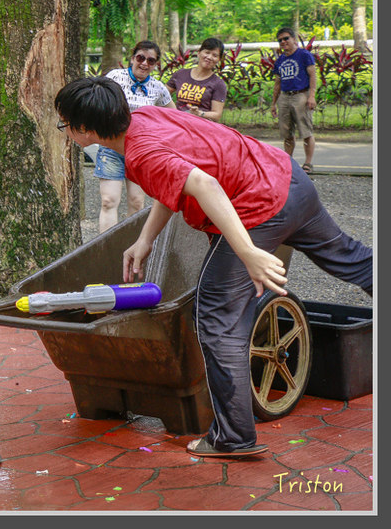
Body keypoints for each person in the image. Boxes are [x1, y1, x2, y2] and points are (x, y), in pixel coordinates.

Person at [54, 76, 372, 458]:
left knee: (216, 318)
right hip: (289, 179)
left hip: (259, 206)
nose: (65, 130)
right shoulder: (145, 118)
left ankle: (233, 437)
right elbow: (176, 182)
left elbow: (203, 184)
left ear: (85, 129)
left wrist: (249, 253)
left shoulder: (140, 154)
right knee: (351, 258)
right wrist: (145, 238)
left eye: (64, 124)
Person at [97, 40, 175, 232]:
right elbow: (97, 100)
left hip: (140, 150)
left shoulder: (158, 88)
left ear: (155, 64)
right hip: (111, 145)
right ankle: (107, 252)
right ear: (132, 58)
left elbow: (175, 117)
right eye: (141, 58)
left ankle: (131, 253)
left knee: (137, 202)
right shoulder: (115, 77)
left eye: (151, 60)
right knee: (108, 201)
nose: (144, 63)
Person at [270, 27, 317, 174]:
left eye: (286, 38)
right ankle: (288, 162)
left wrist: (311, 96)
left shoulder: (304, 55)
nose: (283, 42)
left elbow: (312, 75)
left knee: (305, 130)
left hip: (301, 95)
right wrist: (273, 103)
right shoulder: (280, 60)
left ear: (293, 39)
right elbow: (277, 83)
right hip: (285, 96)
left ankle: (308, 162)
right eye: (280, 40)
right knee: (286, 132)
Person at [166, 37, 228, 122]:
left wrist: (200, 113)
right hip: (177, 123)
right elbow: (162, 94)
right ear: (199, 53)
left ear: (219, 60)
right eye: (207, 52)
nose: (209, 57)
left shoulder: (218, 84)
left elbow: (216, 115)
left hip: (201, 126)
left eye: (215, 55)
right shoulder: (181, 74)